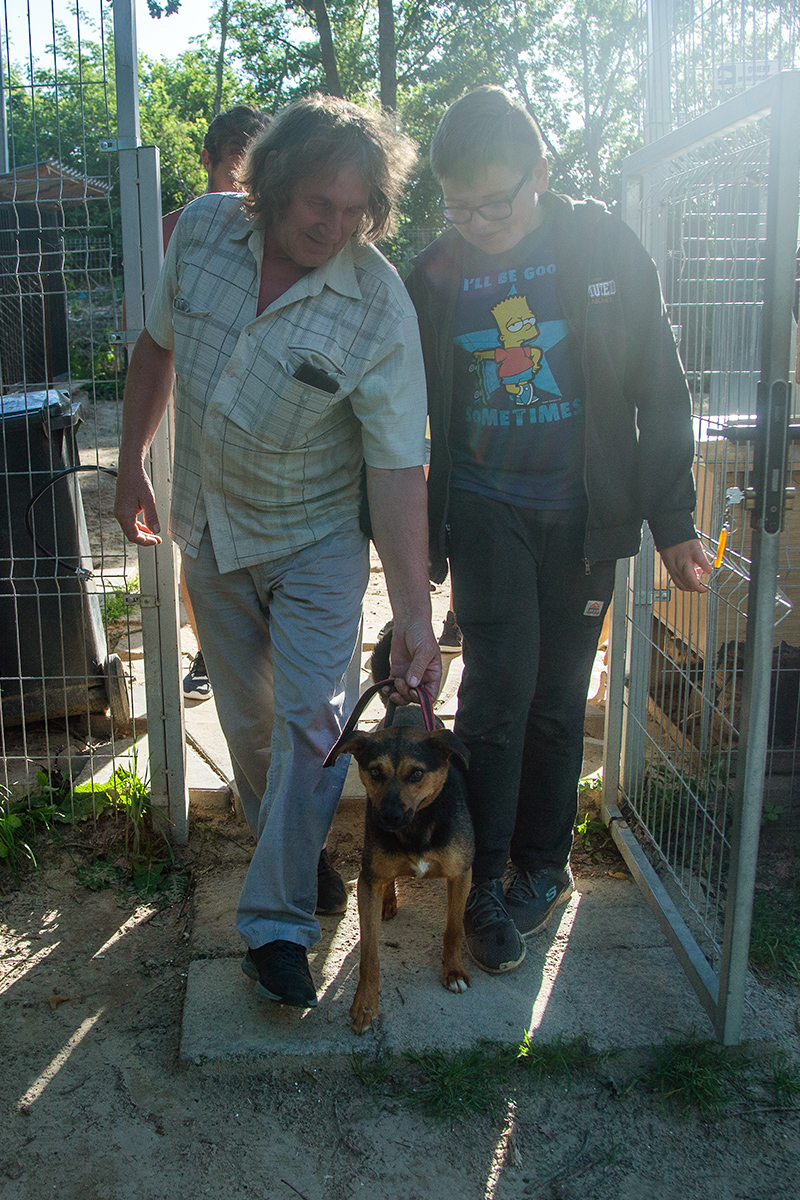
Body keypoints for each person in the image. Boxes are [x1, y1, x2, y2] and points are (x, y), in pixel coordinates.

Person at [115, 94, 440, 1008]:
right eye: (317, 204)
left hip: (316, 538)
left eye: (355, 212)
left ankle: (277, 928)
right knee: (252, 728)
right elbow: (157, 347)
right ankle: (294, 860)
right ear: (273, 183)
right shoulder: (205, 232)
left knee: (312, 724)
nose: (333, 227)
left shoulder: (378, 306)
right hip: (211, 529)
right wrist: (132, 462)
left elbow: (398, 467)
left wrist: (413, 617)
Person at [405, 86, 713, 975]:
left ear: (540, 174)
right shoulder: (435, 272)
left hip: (584, 515)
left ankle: (544, 864)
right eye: (457, 206)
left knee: (556, 697)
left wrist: (673, 519)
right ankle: (482, 874)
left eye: (493, 204)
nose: (475, 223)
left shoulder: (601, 245)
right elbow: (395, 405)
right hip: (484, 508)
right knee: (498, 692)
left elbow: (661, 386)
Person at [163, 104, 270, 701]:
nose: (242, 183)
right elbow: (149, 329)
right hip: (187, 406)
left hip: (257, 424)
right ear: (207, 160)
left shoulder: (277, 230)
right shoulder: (178, 227)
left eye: (254, 168)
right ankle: (207, 649)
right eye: (233, 165)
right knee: (193, 535)